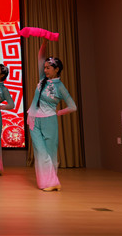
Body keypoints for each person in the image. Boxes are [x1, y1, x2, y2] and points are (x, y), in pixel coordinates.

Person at [27, 40, 77, 192]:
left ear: (57, 69)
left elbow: (73, 107)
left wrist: (58, 112)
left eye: (48, 68)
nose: (45, 70)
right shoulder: (43, 80)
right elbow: (40, 57)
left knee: (49, 153)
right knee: (40, 152)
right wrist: (44, 43)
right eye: (45, 67)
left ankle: (52, 182)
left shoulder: (60, 87)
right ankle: (46, 182)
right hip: (33, 120)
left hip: (49, 121)